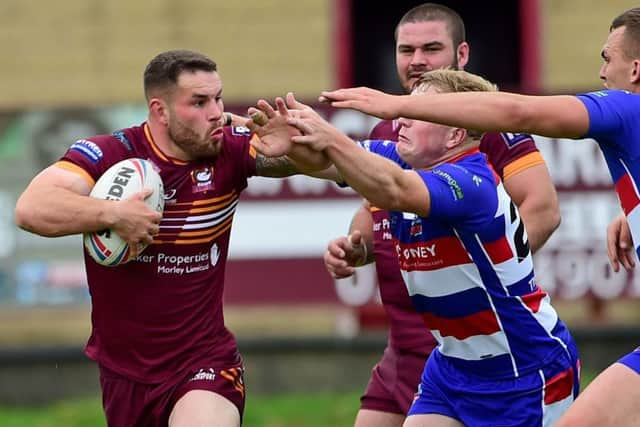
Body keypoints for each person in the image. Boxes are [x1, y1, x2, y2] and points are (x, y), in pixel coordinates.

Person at [319, 7, 640, 427]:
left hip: (509, 357)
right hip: (437, 355)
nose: (601, 72)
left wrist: (392, 104)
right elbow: (361, 187)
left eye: (606, 58)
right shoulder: (396, 141)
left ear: (635, 69)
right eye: (407, 49)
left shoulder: (623, 110)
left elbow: (521, 115)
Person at [249, 69, 581, 427]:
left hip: (524, 371)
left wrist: (329, 136)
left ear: (455, 132)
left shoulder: (471, 182)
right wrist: (293, 143)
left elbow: (393, 189)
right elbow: (329, 162)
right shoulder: (402, 158)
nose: (401, 119)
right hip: (452, 366)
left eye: (418, 112)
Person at [14, 49, 324, 427]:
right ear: (161, 111)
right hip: (124, 375)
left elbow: (326, 164)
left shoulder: (230, 150)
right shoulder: (112, 154)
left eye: (218, 98)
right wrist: (113, 214)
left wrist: (296, 143)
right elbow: (31, 208)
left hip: (205, 363)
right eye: (198, 102)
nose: (216, 112)